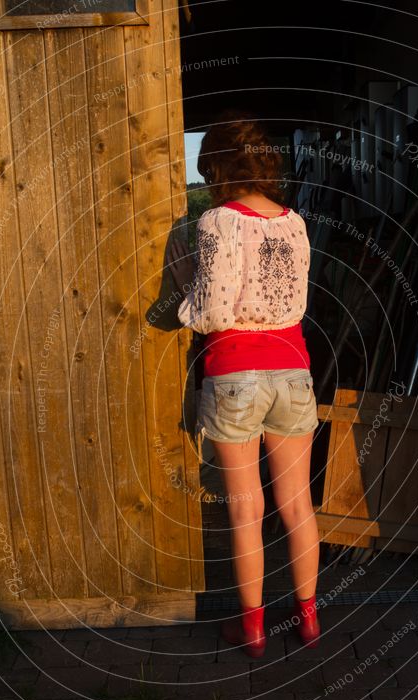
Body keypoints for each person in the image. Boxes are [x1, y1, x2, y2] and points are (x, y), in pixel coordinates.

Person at [168, 109, 320, 658]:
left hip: (235, 373)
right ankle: (307, 619)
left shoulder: (217, 224)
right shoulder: (294, 223)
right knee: (298, 506)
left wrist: (184, 286)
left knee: (244, 509)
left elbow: (211, 313)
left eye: (207, 171)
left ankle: (252, 629)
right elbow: (293, 303)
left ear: (221, 168)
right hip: (293, 370)